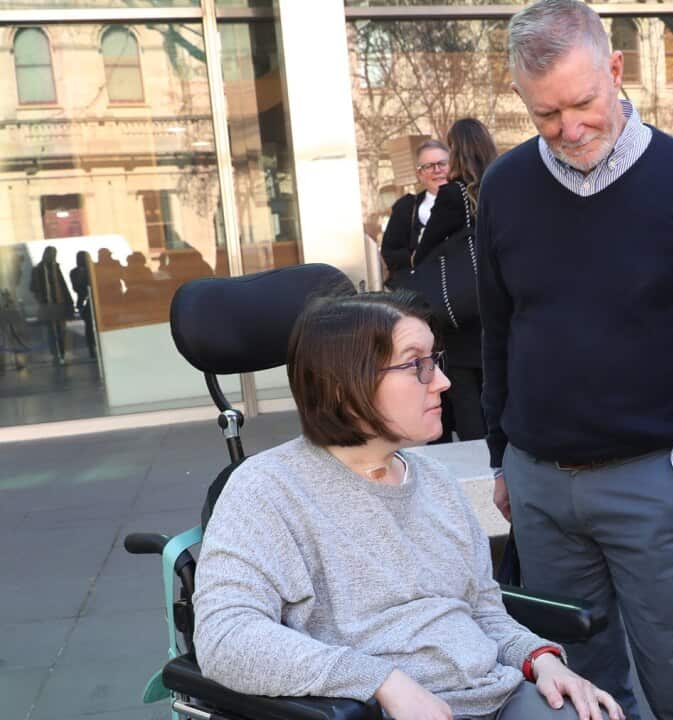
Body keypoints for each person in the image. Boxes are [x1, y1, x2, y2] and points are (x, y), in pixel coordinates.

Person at [477, 1, 673, 718]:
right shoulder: (504, 188)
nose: (569, 128)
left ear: (617, 70)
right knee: (578, 693)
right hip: (538, 489)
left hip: (651, 484)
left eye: (582, 102)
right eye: (546, 114)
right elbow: (498, 331)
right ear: (521, 99)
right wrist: (502, 455)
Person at [193, 291, 623, 720]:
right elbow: (226, 638)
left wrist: (539, 659)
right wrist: (382, 682)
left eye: (434, 360)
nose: (442, 381)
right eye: (415, 364)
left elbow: (483, 611)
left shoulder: (435, 481)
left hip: (494, 694)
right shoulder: (268, 491)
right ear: (344, 386)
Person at [413, 118, 497, 442]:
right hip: (498, 303)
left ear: (457, 152)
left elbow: (424, 253)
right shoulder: (503, 184)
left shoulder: (453, 195)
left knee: (465, 394)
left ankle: (479, 466)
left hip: (460, 309)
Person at [383, 139, 451, 288]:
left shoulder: (470, 203)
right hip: (420, 294)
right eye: (429, 166)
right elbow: (389, 253)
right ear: (419, 174)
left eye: (442, 163)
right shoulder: (406, 208)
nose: (437, 170)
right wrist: (414, 258)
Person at [29, 246, 72, 364]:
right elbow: (33, 287)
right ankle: (55, 355)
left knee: (61, 330)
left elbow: (62, 285)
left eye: (54, 254)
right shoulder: (38, 269)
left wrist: (68, 301)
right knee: (51, 331)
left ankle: (62, 353)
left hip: (59, 303)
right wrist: (40, 298)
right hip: (47, 304)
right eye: (52, 254)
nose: (53, 256)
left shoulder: (56, 267)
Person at [69, 250, 96, 360]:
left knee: (90, 326)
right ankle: (92, 348)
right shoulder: (77, 272)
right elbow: (77, 287)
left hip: (89, 300)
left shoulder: (91, 269)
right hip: (86, 301)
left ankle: (93, 348)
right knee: (89, 326)